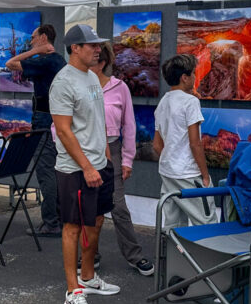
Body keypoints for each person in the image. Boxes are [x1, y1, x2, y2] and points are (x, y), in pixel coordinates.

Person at [49, 24, 120, 304]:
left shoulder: (91, 76)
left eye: (98, 44)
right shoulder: (63, 82)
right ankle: (72, 292)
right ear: (75, 48)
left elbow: (96, 122)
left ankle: (88, 277)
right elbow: (64, 131)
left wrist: (105, 158)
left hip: (99, 165)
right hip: (76, 170)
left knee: (97, 221)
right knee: (73, 227)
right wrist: (88, 167)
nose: (98, 49)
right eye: (92, 45)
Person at [90, 42, 154, 276]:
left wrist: (127, 159)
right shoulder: (78, 86)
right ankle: (89, 256)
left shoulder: (120, 88)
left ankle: (134, 255)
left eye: (93, 58)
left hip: (113, 150)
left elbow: (129, 125)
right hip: (85, 150)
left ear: (102, 62)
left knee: (118, 206)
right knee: (88, 207)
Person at [5, 23, 65, 237]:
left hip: (44, 120)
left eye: (33, 38)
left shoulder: (47, 60)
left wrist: (37, 51)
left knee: (45, 169)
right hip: (55, 119)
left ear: (44, 38)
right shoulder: (59, 61)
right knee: (56, 169)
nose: (31, 41)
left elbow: (10, 63)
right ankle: (59, 218)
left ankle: (51, 222)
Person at [153, 54, 215, 230]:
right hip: (188, 173)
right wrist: (205, 176)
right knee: (206, 223)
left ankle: (172, 250)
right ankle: (206, 251)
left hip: (167, 172)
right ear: (184, 78)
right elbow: (195, 143)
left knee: (174, 226)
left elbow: (157, 145)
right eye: (193, 73)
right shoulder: (190, 102)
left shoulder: (163, 102)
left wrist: (172, 159)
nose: (195, 77)